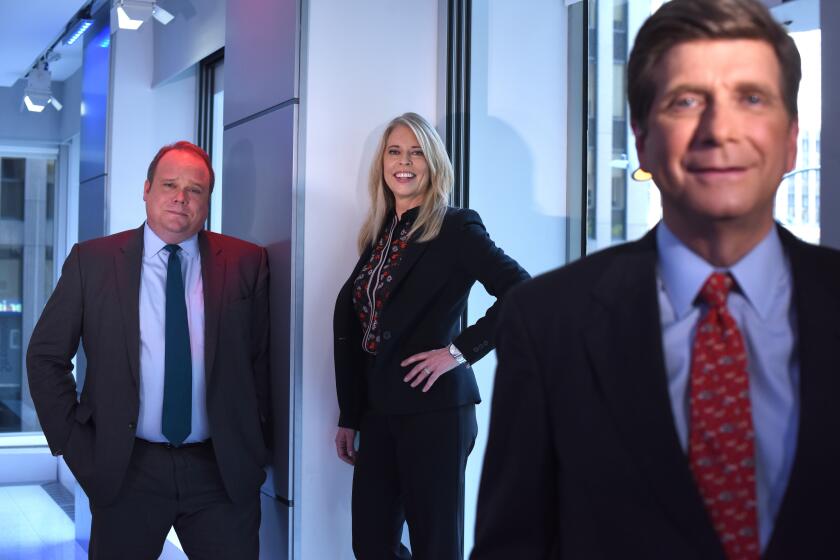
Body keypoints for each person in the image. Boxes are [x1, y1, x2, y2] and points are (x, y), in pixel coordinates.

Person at [472, 0, 839, 558]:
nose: (719, 131)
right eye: (686, 101)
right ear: (642, 140)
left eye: (751, 98)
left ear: (791, 139)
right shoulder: (548, 323)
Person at [27, 141, 270, 559]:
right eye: (169, 184)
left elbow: (263, 365)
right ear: (146, 189)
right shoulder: (94, 261)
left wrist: (255, 450)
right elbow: (45, 356)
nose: (181, 197)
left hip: (221, 472)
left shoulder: (247, 262)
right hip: (127, 469)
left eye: (195, 190)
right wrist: (76, 446)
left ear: (207, 200)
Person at [333, 112, 529, 559]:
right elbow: (362, 329)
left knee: (435, 546)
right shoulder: (380, 233)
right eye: (395, 151)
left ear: (434, 163)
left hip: (435, 412)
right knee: (371, 544)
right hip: (379, 413)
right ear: (382, 162)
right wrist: (351, 414)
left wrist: (458, 352)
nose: (405, 161)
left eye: (417, 151)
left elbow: (523, 291)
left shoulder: (456, 226)